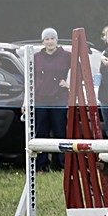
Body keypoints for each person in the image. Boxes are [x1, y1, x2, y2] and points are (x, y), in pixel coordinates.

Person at [34, 28, 71, 172]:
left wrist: (69, 85)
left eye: (52, 38)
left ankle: (62, 165)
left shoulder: (66, 55)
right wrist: (27, 101)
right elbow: (30, 79)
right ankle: (41, 166)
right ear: (43, 41)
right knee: (41, 132)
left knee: (60, 131)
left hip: (59, 99)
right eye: (47, 39)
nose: (49, 42)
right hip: (40, 100)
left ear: (57, 40)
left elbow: (78, 73)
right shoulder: (36, 57)